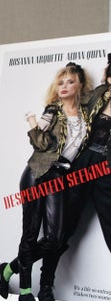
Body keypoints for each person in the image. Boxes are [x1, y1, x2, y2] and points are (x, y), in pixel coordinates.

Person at [0, 62, 90, 301]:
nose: (64, 86)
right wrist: (32, 123)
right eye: (61, 82)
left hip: (60, 177)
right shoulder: (53, 110)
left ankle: (9, 269)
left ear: (80, 85)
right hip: (38, 173)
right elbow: (40, 143)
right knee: (31, 232)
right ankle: (27, 290)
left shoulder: (85, 115)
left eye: (70, 81)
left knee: (55, 238)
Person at [62, 54, 111, 252]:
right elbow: (72, 104)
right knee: (64, 225)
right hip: (83, 161)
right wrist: (74, 72)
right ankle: (15, 269)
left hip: (106, 168)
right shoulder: (97, 95)